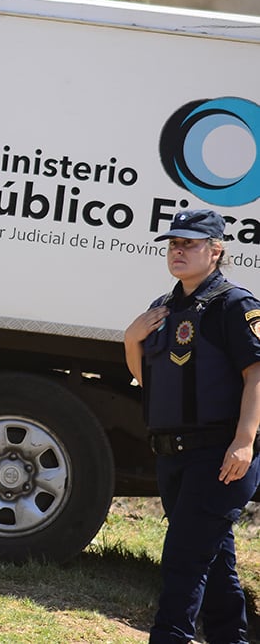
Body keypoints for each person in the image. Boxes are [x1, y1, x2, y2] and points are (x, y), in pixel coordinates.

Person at [123, 208, 260, 644]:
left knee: (183, 558)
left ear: (216, 251)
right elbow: (150, 379)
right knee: (213, 561)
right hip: (173, 455)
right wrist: (131, 339)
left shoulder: (234, 305)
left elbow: (257, 374)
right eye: (173, 244)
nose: (177, 251)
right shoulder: (162, 308)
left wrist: (244, 441)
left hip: (220, 455)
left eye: (190, 244)